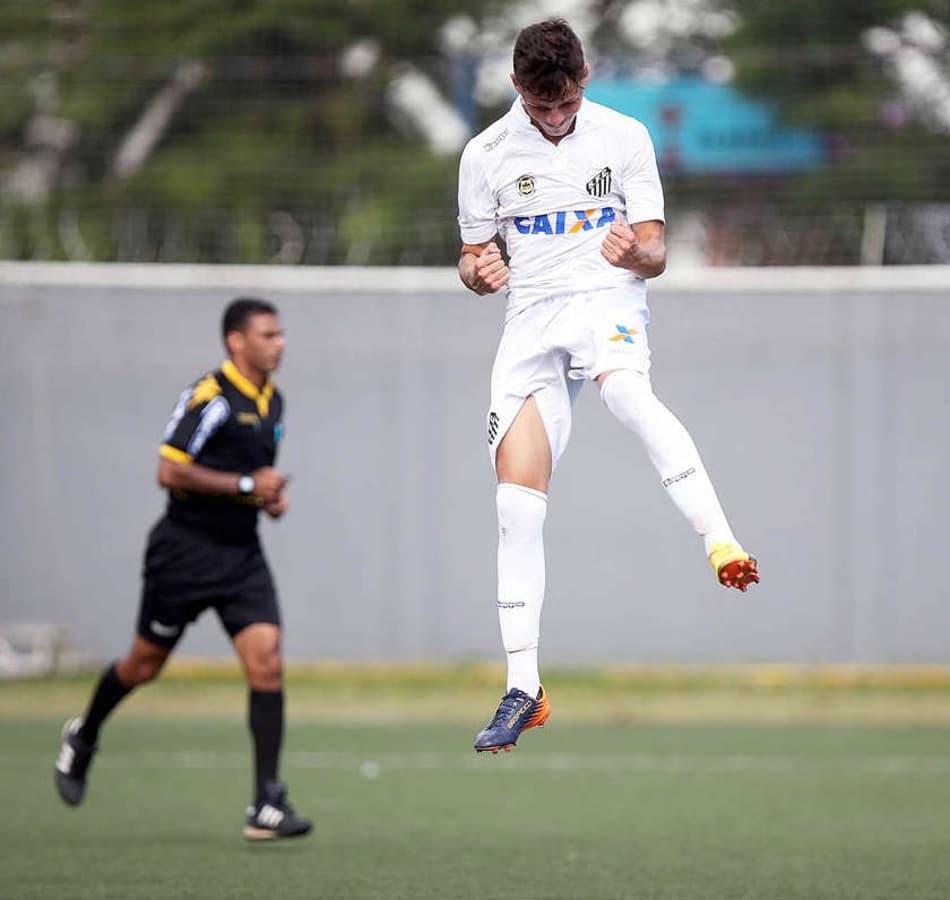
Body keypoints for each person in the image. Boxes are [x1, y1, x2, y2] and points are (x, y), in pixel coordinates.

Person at [457, 19, 759, 754]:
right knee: (514, 506)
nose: (554, 119)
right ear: (517, 89)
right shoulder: (486, 153)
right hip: (530, 322)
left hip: (605, 304)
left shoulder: (624, 136)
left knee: (626, 394)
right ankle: (523, 687)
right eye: (540, 107)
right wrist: (478, 272)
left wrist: (641, 252)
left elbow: (654, 250)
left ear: (584, 79)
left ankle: (720, 541)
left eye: (563, 105)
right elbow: (472, 259)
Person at [54, 297, 312, 840]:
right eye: (268, 335)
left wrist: (265, 499)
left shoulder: (274, 402)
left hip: (241, 555)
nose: (279, 343)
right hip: (184, 554)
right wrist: (246, 486)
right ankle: (84, 734)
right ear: (236, 343)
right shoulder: (210, 397)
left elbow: (250, 474)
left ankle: (265, 802)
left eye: (281, 334)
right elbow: (169, 472)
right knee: (143, 665)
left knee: (266, 661)